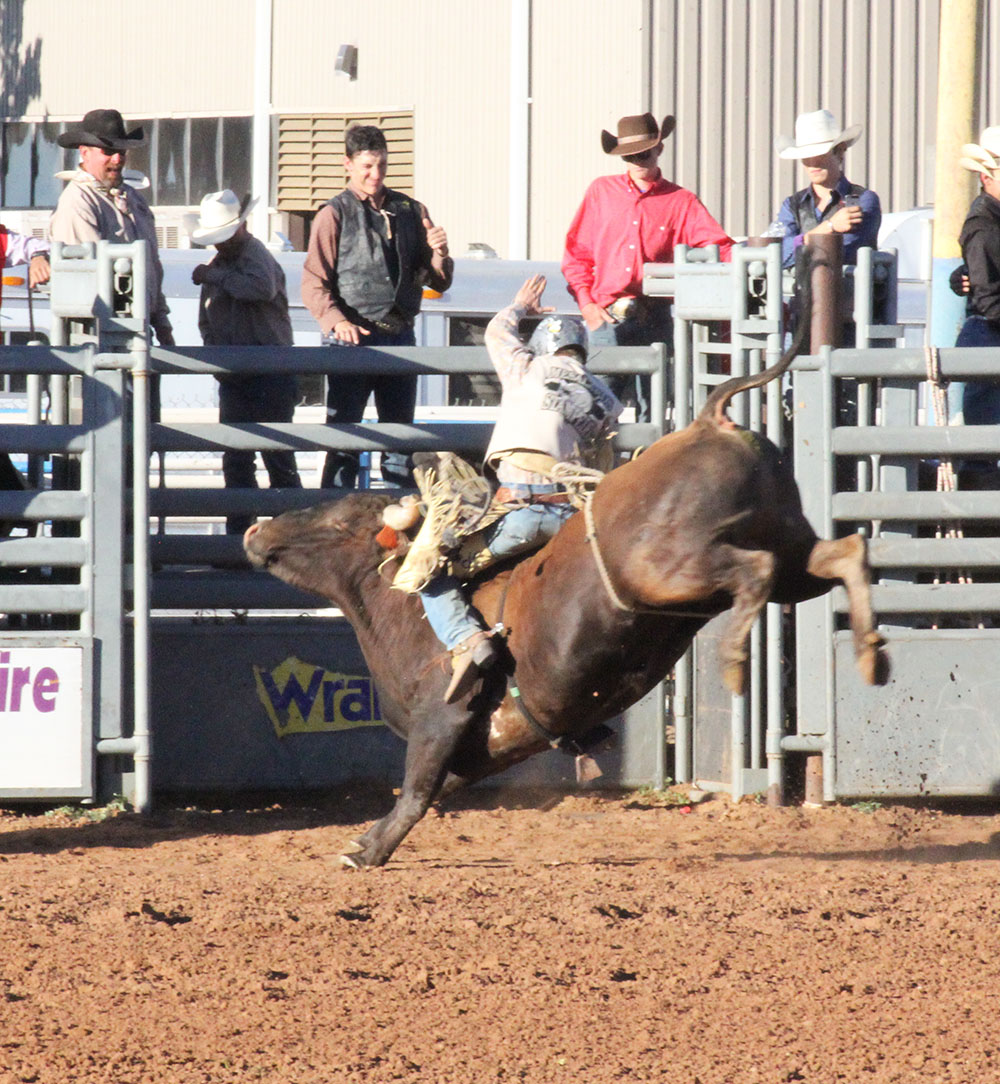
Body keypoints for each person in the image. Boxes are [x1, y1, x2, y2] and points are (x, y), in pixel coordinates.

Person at [417, 274, 622, 703]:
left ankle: (468, 640)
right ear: (581, 350)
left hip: (522, 513)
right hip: (572, 520)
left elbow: (496, 331)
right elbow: (602, 470)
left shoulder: (526, 367)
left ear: (545, 347)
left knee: (429, 571)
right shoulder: (607, 402)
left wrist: (519, 307)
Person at [301, 123, 453, 489]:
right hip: (350, 344)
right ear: (348, 165)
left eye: (382, 165)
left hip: (399, 337)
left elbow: (438, 282)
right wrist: (336, 321)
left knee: (401, 444)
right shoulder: (332, 214)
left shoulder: (411, 211)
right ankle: (334, 528)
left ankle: (399, 536)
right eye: (367, 166)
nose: (376, 174)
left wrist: (441, 254)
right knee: (344, 444)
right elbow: (312, 282)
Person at [562, 112, 733, 421]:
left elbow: (718, 246)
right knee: (595, 405)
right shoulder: (601, 192)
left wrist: (752, 260)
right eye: (630, 155)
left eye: (644, 152)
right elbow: (577, 254)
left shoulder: (680, 201)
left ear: (659, 150)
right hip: (608, 314)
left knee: (654, 408)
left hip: (655, 314)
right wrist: (586, 304)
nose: (638, 160)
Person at [49, 108, 174, 423]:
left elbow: (151, 268)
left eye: (120, 151)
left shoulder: (133, 199)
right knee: (104, 439)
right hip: (98, 342)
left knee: (139, 437)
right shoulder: (78, 202)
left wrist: (161, 322)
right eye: (109, 151)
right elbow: (90, 281)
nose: (117, 159)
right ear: (85, 152)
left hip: (136, 338)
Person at [190, 190, 302, 534]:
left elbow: (260, 289)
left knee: (276, 458)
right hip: (239, 377)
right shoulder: (222, 266)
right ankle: (240, 538)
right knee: (238, 461)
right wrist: (218, 353)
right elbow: (206, 320)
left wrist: (214, 278)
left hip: (269, 375)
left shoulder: (256, 257)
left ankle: (291, 538)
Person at [772, 109, 881, 270]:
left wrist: (801, 242)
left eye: (820, 155)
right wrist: (830, 226)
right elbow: (776, 255)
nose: (812, 163)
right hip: (803, 293)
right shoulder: (792, 204)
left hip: (848, 294)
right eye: (806, 157)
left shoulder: (863, 199)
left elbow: (846, 249)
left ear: (840, 152)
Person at [954, 127, 1000, 484]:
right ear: (987, 177)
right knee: (984, 446)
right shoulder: (984, 226)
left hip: (987, 330)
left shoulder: (986, 223)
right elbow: (990, 298)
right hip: (990, 333)